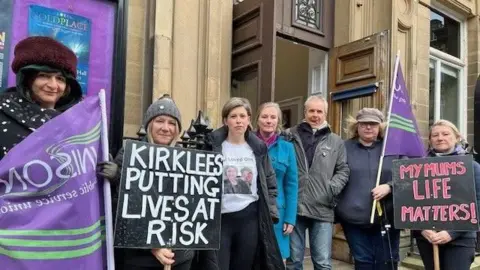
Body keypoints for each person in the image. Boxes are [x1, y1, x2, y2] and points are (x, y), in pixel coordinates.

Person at [97, 95, 218, 270]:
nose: (165, 128)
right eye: (160, 121)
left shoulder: (188, 160)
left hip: (179, 256)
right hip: (139, 258)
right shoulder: (130, 154)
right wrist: (120, 177)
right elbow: (123, 209)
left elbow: (192, 208)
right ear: (149, 124)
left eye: (172, 123)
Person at [204, 97, 284, 270]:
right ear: (225, 120)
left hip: (249, 218)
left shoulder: (258, 148)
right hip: (221, 219)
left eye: (242, 116)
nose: (238, 121)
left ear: (249, 119)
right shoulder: (213, 146)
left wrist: (270, 210)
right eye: (233, 116)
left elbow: (270, 183)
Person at [284, 95, 350, 270]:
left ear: (325, 113)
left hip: (322, 207)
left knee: (322, 262)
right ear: (305, 112)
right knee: (294, 261)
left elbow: (343, 170)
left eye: (319, 111)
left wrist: (332, 188)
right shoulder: (290, 135)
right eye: (311, 110)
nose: (315, 115)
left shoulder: (336, 141)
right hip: (294, 208)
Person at [335, 108, 401, 270]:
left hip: (387, 218)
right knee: (363, 262)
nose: (368, 127)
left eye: (373, 124)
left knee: (385, 262)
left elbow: (408, 175)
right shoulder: (344, 148)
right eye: (364, 124)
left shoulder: (392, 149)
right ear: (356, 126)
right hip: (353, 219)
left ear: (380, 127)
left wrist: (389, 186)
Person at [0, 36, 82, 160]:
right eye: (44, 76)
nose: (53, 85)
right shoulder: (3, 115)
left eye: (60, 79)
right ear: (27, 80)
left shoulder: (77, 122)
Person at [414, 119, 480, 270]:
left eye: (445, 134)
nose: (440, 138)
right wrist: (421, 229)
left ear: (457, 137)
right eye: (435, 135)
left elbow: (478, 203)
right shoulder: (417, 168)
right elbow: (408, 202)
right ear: (430, 140)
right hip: (427, 238)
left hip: (461, 239)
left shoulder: (472, 167)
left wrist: (452, 232)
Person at [255, 102, 299, 262]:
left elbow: (292, 185)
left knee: (277, 260)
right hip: (252, 211)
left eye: (273, 117)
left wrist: (290, 218)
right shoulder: (248, 144)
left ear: (278, 121)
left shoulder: (287, 148)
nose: (269, 120)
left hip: (278, 215)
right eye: (264, 116)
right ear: (257, 120)